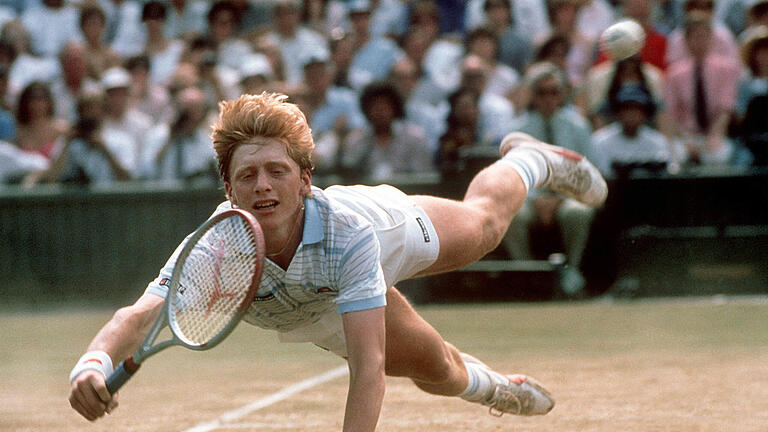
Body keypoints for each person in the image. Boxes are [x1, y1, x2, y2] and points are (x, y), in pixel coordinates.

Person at [68, 92, 608, 429]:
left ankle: (530, 160)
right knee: (430, 368)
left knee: (484, 229)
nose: (263, 186)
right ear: (228, 190)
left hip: (380, 232)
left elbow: (364, 370)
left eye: (277, 171)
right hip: (312, 308)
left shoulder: (348, 234)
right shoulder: (214, 247)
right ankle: (499, 388)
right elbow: (137, 317)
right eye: (247, 175)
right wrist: (91, 365)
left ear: (305, 180)